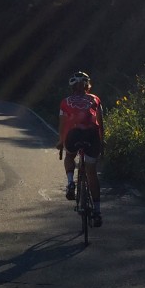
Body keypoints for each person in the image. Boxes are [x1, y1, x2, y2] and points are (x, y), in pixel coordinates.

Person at [57, 70, 105, 226]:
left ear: (72, 87)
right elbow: (100, 123)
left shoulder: (65, 102)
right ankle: (97, 212)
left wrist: (60, 141)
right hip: (92, 135)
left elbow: (63, 124)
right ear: (87, 86)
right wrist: (102, 142)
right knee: (91, 173)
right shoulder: (95, 99)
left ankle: (71, 182)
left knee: (69, 155)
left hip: (74, 134)